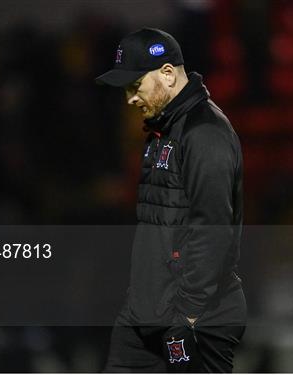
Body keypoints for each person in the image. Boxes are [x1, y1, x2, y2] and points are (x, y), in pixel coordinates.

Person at [96, 28, 246, 372]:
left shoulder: (204, 133)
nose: (129, 98)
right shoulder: (164, 129)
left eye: (135, 86)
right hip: (144, 314)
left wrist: (188, 315)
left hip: (194, 316)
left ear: (166, 73)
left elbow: (213, 229)